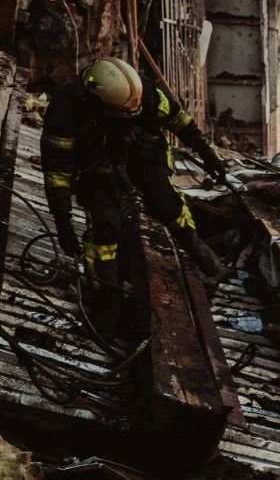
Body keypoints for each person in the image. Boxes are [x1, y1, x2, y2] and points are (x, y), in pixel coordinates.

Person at [42, 56, 231, 330]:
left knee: (165, 203)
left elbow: (180, 121)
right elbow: (57, 173)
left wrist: (208, 156)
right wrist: (63, 223)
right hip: (93, 161)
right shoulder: (65, 111)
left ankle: (203, 255)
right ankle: (107, 302)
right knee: (106, 222)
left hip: (141, 145)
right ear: (99, 105)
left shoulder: (143, 93)